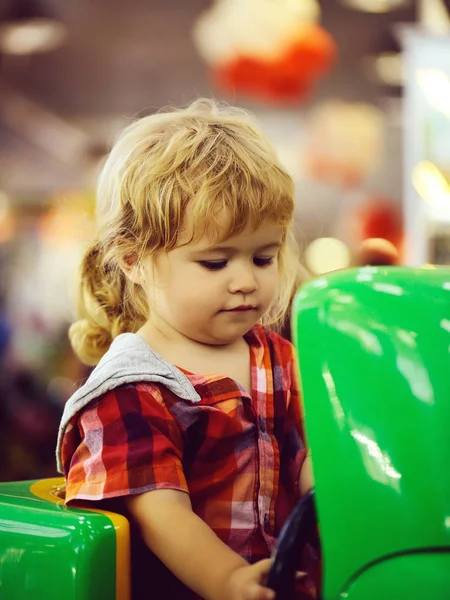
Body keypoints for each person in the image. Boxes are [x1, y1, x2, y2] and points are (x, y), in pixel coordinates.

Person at [56, 99, 314, 600]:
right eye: (215, 263)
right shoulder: (131, 389)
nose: (246, 281)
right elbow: (162, 512)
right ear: (134, 260)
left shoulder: (277, 357)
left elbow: (313, 458)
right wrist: (229, 579)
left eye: (264, 257)